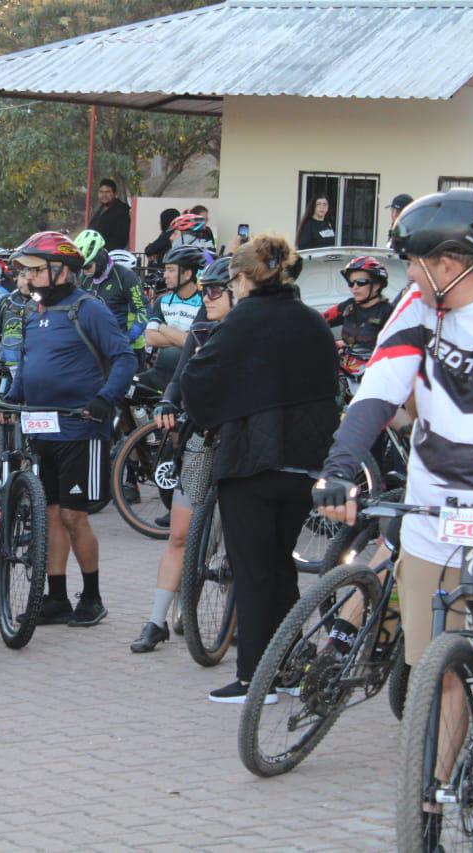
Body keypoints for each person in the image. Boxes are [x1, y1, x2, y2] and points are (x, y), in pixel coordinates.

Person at [313, 188, 473, 722]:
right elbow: (378, 392)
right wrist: (339, 468)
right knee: (435, 671)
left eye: (414, 264)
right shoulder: (420, 305)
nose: (409, 277)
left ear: (448, 262)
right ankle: (431, 801)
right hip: (435, 510)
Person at [180, 234, 340, 703]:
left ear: (245, 278)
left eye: (232, 278)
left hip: (252, 462)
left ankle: (255, 679)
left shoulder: (243, 320)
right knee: (280, 569)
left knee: (251, 573)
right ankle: (289, 666)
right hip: (306, 464)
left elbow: (199, 379)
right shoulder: (313, 321)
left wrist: (211, 414)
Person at [4, 232, 138, 627]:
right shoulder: (34, 313)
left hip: (80, 430)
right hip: (42, 428)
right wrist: (12, 397)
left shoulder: (88, 309)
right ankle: (57, 597)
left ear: (62, 271)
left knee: (75, 517)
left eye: (35, 269)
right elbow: (29, 367)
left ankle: (92, 597)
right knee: (52, 514)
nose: (27, 277)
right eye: (25, 270)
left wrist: (105, 400)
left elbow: (125, 358)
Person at [132, 257, 234, 653]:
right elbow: (178, 379)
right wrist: (166, 405)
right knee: (178, 534)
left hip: (241, 446)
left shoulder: (248, 332)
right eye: (204, 289)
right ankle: (156, 619)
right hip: (201, 439)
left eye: (214, 291)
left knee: (238, 539)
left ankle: (231, 620)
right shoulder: (202, 328)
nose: (206, 298)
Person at [142, 245, 206, 391]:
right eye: (166, 270)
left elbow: (192, 341)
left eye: (171, 270)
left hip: (188, 379)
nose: (165, 275)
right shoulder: (161, 301)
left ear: (188, 274)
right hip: (159, 373)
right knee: (125, 389)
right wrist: (182, 338)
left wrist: (163, 327)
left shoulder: (205, 302)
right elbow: (150, 338)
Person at [75, 229, 147, 352]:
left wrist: (129, 337)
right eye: (82, 268)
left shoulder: (125, 276)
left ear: (100, 259)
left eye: (87, 266)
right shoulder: (84, 278)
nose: (85, 271)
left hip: (128, 346)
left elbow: (143, 310)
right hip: (97, 345)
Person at [322, 256, 393, 362]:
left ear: (377, 285)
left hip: (373, 370)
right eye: (351, 283)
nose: (354, 287)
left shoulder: (388, 312)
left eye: (361, 282)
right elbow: (320, 320)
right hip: (345, 368)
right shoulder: (349, 305)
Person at [0, 258, 33, 374]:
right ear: (16, 277)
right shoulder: (6, 301)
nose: (27, 282)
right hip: (7, 366)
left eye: (31, 278)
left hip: (32, 367)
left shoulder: (44, 304)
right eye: (23, 276)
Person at [86, 178, 131, 251]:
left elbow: (121, 239)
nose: (104, 195)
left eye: (107, 192)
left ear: (115, 193)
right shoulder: (100, 210)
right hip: (93, 254)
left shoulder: (121, 210)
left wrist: (104, 253)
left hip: (110, 257)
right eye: (101, 192)